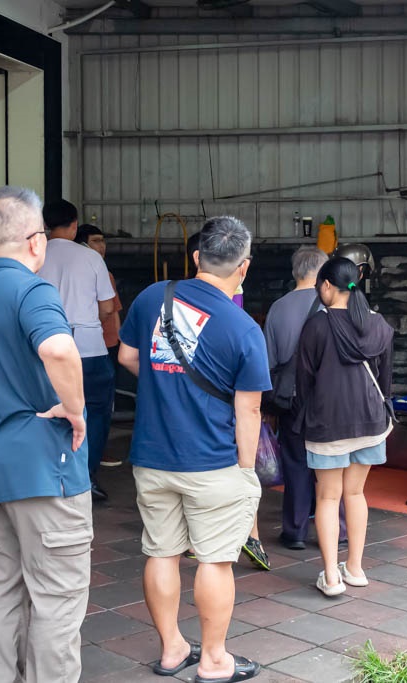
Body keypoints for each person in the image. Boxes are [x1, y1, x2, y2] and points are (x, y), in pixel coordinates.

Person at [0, 186, 92, 683]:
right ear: (35, 240)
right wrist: (76, 411)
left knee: (3, 587)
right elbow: (58, 349)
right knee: (57, 598)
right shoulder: (32, 291)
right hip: (43, 468)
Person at [118, 216, 267, 683]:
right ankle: (214, 659)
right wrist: (247, 470)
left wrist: (166, 390)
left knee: (161, 553)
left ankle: (171, 650)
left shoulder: (150, 297)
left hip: (152, 456)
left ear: (197, 257)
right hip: (214, 461)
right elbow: (249, 413)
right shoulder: (244, 329)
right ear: (244, 268)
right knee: (214, 560)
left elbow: (126, 357)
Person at [295, 257, 394, 597]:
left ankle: (331, 577)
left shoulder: (317, 326)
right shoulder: (378, 323)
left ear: (325, 286)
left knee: (327, 497)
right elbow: (386, 377)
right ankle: (355, 568)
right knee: (355, 494)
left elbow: (304, 379)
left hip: (327, 421)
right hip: (370, 420)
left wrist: (305, 413)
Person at [185, 229, 269, 571]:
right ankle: (251, 535)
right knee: (238, 469)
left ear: (196, 259)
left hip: (207, 396)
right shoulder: (236, 292)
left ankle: (214, 536)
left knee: (216, 469)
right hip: (231, 392)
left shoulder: (187, 298)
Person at [39, 200, 116, 502]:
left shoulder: (35, 256)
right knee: (95, 411)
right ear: (74, 225)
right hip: (88, 348)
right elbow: (108, 308)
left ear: (45, 225)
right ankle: (84, 477)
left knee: (47, 410)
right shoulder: (90, 258)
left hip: (44, 346)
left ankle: (47, 477)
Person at [263, 247, 329, 550]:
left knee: (295, 462)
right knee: (332, 463)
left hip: (291, 398)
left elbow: (270, 360)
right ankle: (337, 530)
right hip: (329, 398)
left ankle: (295, 531)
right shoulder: (335, 305)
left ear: (295, 272)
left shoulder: (278, 307)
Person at [76, 224, 126, 468]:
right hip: (91, 346)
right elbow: (106, 310)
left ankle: (98, 448)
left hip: (108, 344)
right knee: (94, 405)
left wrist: (118, 340)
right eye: (96, 241)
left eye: (103, 240)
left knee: (104, 404)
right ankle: (90, 455)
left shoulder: (106, 274)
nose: (101, 246)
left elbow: (114, 310)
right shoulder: (88, 271)